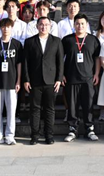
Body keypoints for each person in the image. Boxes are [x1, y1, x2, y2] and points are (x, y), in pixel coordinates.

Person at [22, 16, 64, 145]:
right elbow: (25, 62)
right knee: (34, 109)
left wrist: (59, 79)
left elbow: (60, 61)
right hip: (34, 81)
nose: (43, 27)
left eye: (46, 24)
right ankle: (35, 135)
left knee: (49, 109)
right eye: (41, 24)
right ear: (37, 26)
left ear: (50, 26)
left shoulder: (56, 41)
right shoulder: (29, 42)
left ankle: (49, 135)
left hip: (51, 81)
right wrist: (26, 80)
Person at [61, 14, 101, 142]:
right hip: (71, 78)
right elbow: (60, 58)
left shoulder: (93, 40)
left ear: (87, 25)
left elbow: (97, 58)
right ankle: (73, 129)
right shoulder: (67, 40)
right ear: (74, 25)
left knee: (88, 104)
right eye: (77, 23)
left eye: (82, 23)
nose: (80, 26)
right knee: (72, 105)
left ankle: (89, 129)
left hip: (88, 78)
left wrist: (96, 74)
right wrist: (61, 74)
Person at [0, 19, 24, 146]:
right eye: (3, 27)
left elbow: (19, 64)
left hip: (12, 82)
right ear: (0, 28)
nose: (6, 29)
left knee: (11, 111)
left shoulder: (17, 44)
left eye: (8, 27)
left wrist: (18, 80)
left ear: (12, 28)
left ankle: (9, 135)